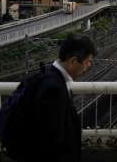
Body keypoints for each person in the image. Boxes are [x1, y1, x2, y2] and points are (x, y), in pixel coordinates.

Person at [19, 33, 95, 161]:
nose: (89, 66)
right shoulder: (53, 88)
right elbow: (52, 140)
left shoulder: (50, 76)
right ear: (73, 61)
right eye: (88, 62)